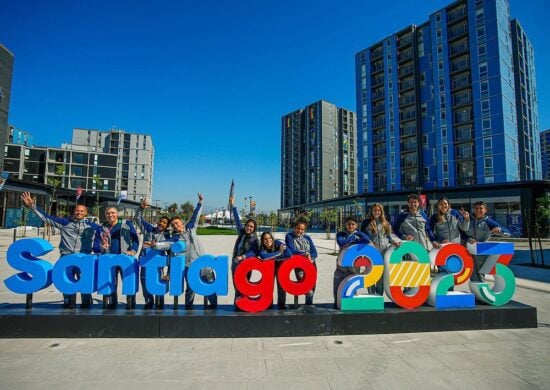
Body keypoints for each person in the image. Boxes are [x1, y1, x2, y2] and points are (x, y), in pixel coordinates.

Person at [21, 192, 102, 309]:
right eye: (77, 211)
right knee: (66, 282)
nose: (79, 213)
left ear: (86, 213)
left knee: (85, 283)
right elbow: (46, 218)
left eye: (82, 211)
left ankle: (87, 303)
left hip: (84, 259)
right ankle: (68, 302)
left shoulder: (92, 226)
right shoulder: (65, 223)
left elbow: (105, 231)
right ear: (74, 212)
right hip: (66, 258)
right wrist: (33, 206)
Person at [154, 193, 215, 309]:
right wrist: (155, 245)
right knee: (191, 288)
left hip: (202, 262)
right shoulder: (174, 239)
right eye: (173, 225)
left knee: (210, 284)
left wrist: (200, 202)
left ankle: (214, 306)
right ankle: (188, 307)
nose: (175, 226)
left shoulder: (190, 228)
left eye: (177, 223)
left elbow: (195, 216)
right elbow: (165, 245)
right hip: (188, 266)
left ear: (182, 223)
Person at [100, 206, 140, 309]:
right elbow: (98, 241)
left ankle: (131, 304)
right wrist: (101, 247)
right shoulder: (103, 227)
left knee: (128, 282)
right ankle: (113, 304)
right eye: (108, 213)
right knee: (111, 283)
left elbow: (135, 239)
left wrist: (133, 250)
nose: (110, 215)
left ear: (117, 214)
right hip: (110, 259)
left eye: (113, 213)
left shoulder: (126, 224)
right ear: (105, 215)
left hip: (124, 259)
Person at [135, 199, 171, 309]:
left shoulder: (168, 237)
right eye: (160, 221)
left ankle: (160, 304)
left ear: (167, 226)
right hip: (146, 263)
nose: (161, 223)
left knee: (158, 284)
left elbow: (171, 255)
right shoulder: (149, 229)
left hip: (157, 265)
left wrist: (169, 272)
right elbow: (138, 218)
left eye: (164, 223)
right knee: (145, 283)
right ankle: (149, 302)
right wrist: (141, 207)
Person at [334, 216, 372, 307]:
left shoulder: (358, 234)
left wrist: (356, 233)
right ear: (345, 225)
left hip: (354, 268)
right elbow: (342, 243)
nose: (351, 226)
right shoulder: (341, 234)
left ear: (356, 226)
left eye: (353, 224)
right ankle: (336, 305)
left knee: (352, 291)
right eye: (349, 224)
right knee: (337, 290)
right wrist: (354, 239)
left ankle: (350, 307)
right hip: (341, 267)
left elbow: (367, 239)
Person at [229, 195, 259, 304]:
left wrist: (243, 256)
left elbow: (254, 252)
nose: (249, 228)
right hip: (235, 264)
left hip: (245, 265)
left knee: (243, 286)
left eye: (251, 227)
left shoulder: (254, 239)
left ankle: (242, 304)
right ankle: (238, 305)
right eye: (248, 225)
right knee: (236, 286)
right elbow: (237, 219)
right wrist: (233, 205)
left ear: (254, 229)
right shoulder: (241, 233)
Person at [465, 201, 505, 282]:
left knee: (480, 274)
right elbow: (462, 234)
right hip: (467, 251)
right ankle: (476, 292)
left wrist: (499, 230)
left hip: (481, 252)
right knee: (471, 273)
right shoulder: (469, 220)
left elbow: (505, 231)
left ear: (485, 210)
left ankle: (481, 292)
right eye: (476, 208)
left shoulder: (488, 222)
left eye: (481, 208)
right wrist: (469, 240)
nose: (478, 210)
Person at [361, 203, 397, 295]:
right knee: (370, 274)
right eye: (375, 210)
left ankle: (379, 297)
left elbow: (388, 237)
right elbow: (362, 236)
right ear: (371, 211)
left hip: (383, 253)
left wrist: (393, 242)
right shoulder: (366, 222)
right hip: (370, 253)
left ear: (381, 211)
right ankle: (371, 296)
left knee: (380, 276)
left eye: (378, 210)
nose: (376, 212)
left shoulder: (385, 223)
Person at [285, 218, 317, 305]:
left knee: (312, 287)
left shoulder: (307, 238)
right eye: (298, 228)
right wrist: (305, 253)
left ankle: (309, 305)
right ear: (294, 227)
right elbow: (291, 250)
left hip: (311, 264)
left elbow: (314, 252)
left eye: (302, 229)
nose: (300, 231)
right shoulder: (289, 236)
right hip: (299, 265)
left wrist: (310, 256)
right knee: (307, 288)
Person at [258, 231, 291, 309]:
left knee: (281, 288)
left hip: (280, 268)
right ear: (262, 241)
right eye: (265, 239)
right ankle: (268, 305)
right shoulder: (261, 248)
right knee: (268, 288)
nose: (268, 240)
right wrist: (279, 252)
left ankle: (281, 305)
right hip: (269, 269)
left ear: (272, 238)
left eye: (269, 238)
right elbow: (264, 257)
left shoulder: (278, 243)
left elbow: (289, 254)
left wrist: (272, 256)